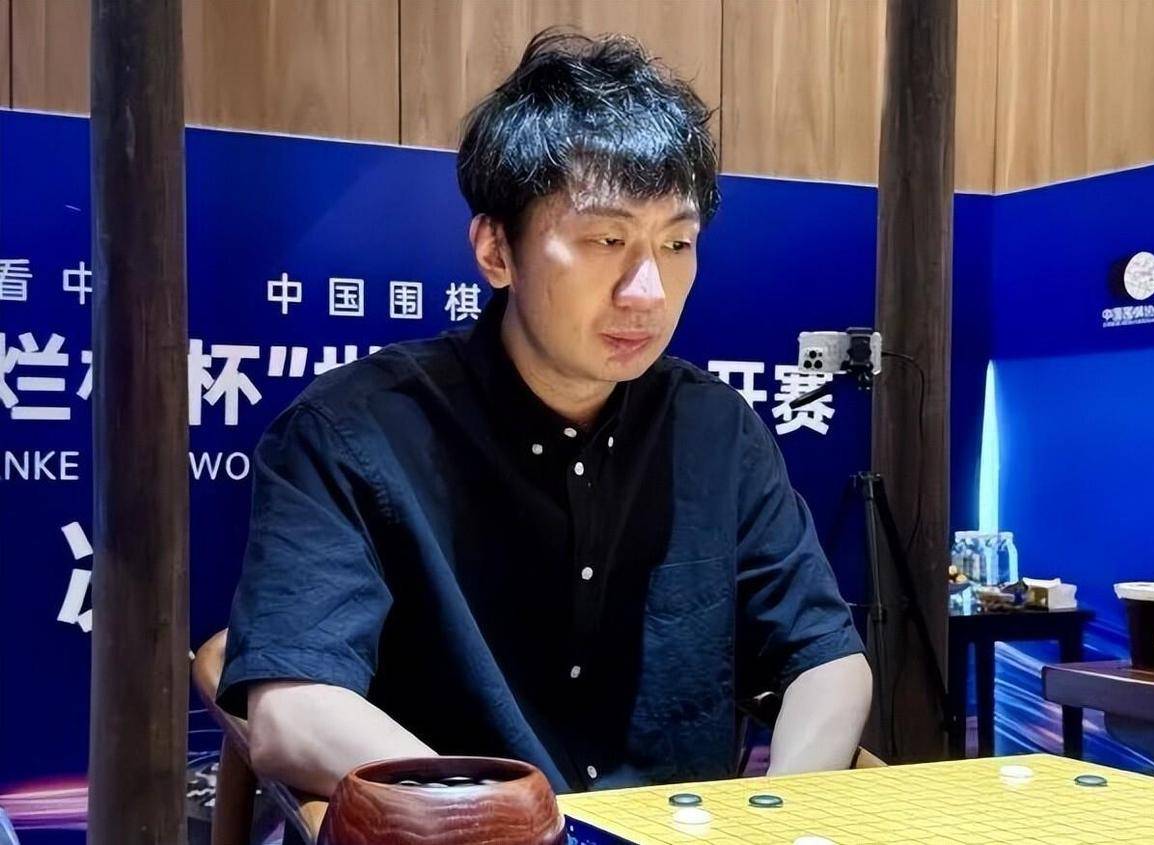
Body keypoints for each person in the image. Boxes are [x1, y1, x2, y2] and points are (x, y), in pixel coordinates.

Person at [218, 29, 871, 805]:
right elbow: (293, 711)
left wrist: (777, 810)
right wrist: (503, 817)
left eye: (677, 243)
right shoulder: (349, 433)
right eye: (606, 239)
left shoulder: (715, 431)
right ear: (496, 250)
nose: (648, 292)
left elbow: (826, 658)